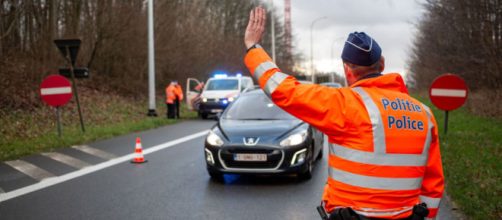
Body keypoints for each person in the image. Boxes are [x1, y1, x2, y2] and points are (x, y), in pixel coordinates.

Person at [243, 7, 443, 220]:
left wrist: (253, 47)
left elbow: (282, 89)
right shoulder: (424, 114)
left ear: (347, 70)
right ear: (382, 64)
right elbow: (433, 183)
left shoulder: (345, 104)